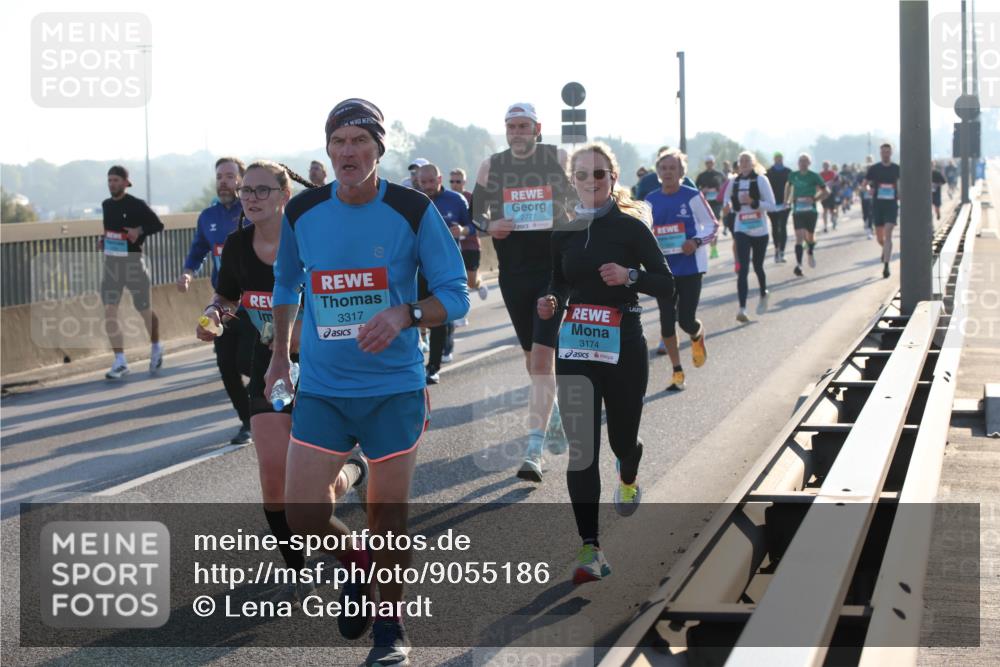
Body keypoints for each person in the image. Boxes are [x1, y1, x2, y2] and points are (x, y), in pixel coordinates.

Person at [266, 99, 468, 666]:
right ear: (327, 149)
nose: (349, 151)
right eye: (339, 142)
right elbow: (285, 284)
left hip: (393, 390)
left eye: (360, 141)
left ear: (379, 149)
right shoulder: (302, 210)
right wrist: (281, 357)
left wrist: (406, 314)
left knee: (388, 516)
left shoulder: (412, 209)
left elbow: (456, 294)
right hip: (325, 389)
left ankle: (391, 627)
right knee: (302, 514)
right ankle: (358, 562)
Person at [196, 160, 367, 606]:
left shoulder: (315, 242)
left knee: (315, 493)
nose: (250, 197)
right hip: (269, 364)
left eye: (262, 190)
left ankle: (354, 472)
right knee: (274, 479)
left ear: (284, 196)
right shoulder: (236, 247)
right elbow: (227, 297)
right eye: (246, 190)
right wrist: (216, 315)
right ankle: (299, 564)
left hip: (324, 369)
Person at [537, 142, 673, 583]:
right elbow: (557, 279)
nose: (591, 181)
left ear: (613, 179)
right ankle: (589, 548)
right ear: (571, 180)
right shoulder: (564, 228)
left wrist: (630, 276)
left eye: (599, 174)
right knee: (581, 451)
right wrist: (552, 300)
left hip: (623, 345)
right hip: (577, 346)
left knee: (621, 440)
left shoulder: (631, 228)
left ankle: (629, 470)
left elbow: (666, 284)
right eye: (582, 175)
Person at [471, 102, 573, 482]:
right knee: (533, 358)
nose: (517, 132)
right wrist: (490, 224)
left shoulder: (557, 157)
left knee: (543, 361)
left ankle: (534, 452)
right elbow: (476, 215)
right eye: (511, 126)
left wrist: (562, 214)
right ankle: (556, 413)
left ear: (537, 128)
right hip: (513, 275)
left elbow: (577, 202)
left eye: (523, 126)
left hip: (552, 273)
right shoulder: (490, 166)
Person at [178, 157, 255, 445]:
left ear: (241, 180)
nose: (223, 181)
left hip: (254, 304)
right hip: (223, 304)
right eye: (219, 176)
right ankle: (248, 422)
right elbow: (198, 249)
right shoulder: (207, 217)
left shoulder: (252, 212)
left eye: (229, 176)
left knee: (248, 362)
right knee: (226, 365)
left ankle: (273, 403)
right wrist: (187, 272)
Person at [646, 149, 717, 390]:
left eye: (672, 168)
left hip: (690, 267)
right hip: (663, 269)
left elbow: (712, 224)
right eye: (663, 168)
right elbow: (642, 233)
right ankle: (677, 372)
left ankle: (697, 335)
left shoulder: (692, 196)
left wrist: (695, 241)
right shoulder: (650, 200)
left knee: (685, 320)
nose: (667, 172)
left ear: (681, 172)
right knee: (667, 322)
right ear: (658, 172)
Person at [100, 165, 165, 379]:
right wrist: (104, 240)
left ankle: (156, 346)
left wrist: (140, 231)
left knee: (144, 310)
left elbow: (158, 225)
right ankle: (120, 361)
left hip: (133, 264)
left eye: (116, 180)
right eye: (109, 180)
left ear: (126, 182)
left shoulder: (136, 205)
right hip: (112, 266)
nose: (112, 184)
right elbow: (111, 229)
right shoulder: (106, 205)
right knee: (109, 312)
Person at [417, 162, 470, 382]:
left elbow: (473, 226)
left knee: (438, 316)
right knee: (417, 314)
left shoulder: (456, 200)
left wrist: (462, 230)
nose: (428, 186)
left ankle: (433, 367)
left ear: (440, 180)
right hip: (419, 268)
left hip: (446, 268)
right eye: (423, 182)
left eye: (432, 181)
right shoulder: (413, 201)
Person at [721, 152, 775, 322]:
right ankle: (742, 308)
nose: (744, 163)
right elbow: (725, 200)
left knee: (758, 266)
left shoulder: (761, 180)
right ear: (738, 164)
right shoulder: (733, 181)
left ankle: (763, 292)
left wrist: (754, 202)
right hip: (741, 228)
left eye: (747, 161)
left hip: (759, 230)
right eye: (741, 161)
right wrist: (727, 206)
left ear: (753, 164)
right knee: (743, 268)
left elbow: (772, 206)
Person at [785, 153, 829, 278]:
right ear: (798, 163)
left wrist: (815, 199)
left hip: (811, 211)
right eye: (800, 161)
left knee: (809, 237)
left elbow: (826, 191)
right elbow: (788, 186)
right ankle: (799, 264)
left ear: (809, 163)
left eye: (805, 161)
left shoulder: (814, 176)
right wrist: (786, 200)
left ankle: (810, 251)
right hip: (797, 211)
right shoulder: (793, 175)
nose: (803, 163)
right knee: (799, 237)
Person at [862, 143, 901, 279]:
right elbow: (864, 184)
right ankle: (885, 250)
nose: (886, 154)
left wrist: (900, 193)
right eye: (883, 152)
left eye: (888, 152)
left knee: (889, 232)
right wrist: (869, 190)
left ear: (891, 153)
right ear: (880, 153)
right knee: (880, 237)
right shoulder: (875, 169)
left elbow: (903, 183)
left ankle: (886, 266)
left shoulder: (896, 168)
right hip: (878, 205)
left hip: (891, 204)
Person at [449, 168, 489, 303]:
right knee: (457, 280)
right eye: (452, 181)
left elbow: (481, 221)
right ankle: (459, 312)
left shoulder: (470, 198)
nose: (454, 184)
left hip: (470, 245)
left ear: (464, 182)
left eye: (458, 181)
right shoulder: (446, 199)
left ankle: (479, 283)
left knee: (471, 283)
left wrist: (463, 230)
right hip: (453, 246)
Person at [695, 155, 725, 260]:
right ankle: (711, 246)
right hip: (705, 204)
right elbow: (695, 188)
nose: (709, 164)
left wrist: (717, 190)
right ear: (705, 164)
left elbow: (725, 187)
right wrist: (703, 191)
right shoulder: (701, 176)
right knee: (707, 226)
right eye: (707, 163)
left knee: (715, 225)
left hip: (716, 203)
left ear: (714, 163)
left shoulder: (719, 175)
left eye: (711, 162)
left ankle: (714, 248)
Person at [765, 152, 792, 264]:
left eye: (780, 158)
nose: (778, 160)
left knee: (783, 226)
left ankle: (782, 251)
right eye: (776, 158)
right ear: (774, 159)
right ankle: (776, 249)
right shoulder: (768, 172)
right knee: (775, 227)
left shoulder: (788, 172)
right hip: (773, 204)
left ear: (782, 159)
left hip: (785, 204)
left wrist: (789, 200)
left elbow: (792, 187)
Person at [819, 161, 838, 232]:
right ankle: (825, 226)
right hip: (824, 194)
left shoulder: (832, 173)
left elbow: (836, 181)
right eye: (824, 165)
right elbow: (818, 184)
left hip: (831, 193)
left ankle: (834, 219)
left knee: (832, 210)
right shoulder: (820, 174)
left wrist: (831, 183)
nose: (826, 167)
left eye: (827, 165)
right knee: (825, 210)